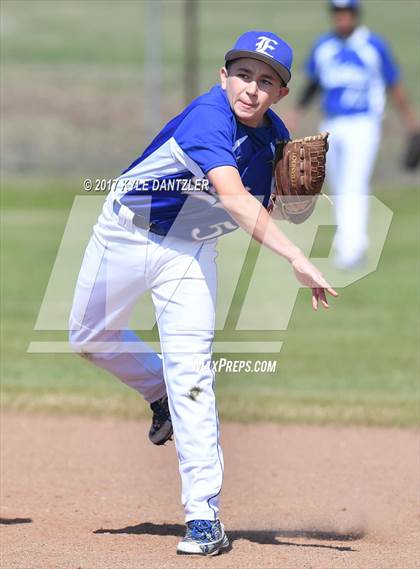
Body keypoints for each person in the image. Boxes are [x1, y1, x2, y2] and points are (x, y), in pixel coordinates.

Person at [68, 30, 337, 556]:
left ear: (280, 93)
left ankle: (204, 517)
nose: (252, 89)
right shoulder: (206, 119)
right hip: (125, 232)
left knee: (192, 372)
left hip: (189, 252)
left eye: (266, 81)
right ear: (223, 76)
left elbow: (265, 201)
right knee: (88, 338)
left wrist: (289, 206)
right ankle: (157, 391)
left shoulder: (273, 139)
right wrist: (296, 256)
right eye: (243, 74)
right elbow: (235, 199)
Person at [287, 0, 417, 269]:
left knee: (354, 183)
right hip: (332, 122)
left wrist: (410, 120)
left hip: (363, 123)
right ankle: (347, 244)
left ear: (356, 15)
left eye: (347, 12)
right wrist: (295, 114)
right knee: (336, 185)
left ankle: (352, 248)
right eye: (337, 12)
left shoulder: (372, 45)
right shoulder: (324, 46)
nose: (342, 18)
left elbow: (393, 84)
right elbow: (313, 84)